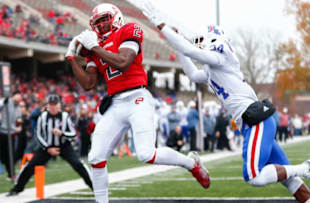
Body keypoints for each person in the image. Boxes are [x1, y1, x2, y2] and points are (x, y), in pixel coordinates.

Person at [142, 2, 310, 202]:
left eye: (202, 41)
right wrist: (177, 46)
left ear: (213, 39)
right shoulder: (212, 69)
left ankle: (306, 167)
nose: (199, 44)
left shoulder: (222, 55)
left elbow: (193, 52)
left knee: (253, 176)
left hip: (255, 121)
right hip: (254, 123)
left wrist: (164, 28)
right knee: (290, 181)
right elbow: (193, 73)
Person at [65, 3, 210, 202]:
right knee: (95, 156)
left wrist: (95, 48)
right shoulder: (94, 48)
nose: (101, 26)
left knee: (146, 154)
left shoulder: (129, 30)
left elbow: (123, 63)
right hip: (115, 104)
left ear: (115, 18)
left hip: (137, 98)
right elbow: (89, 83)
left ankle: (191, 163)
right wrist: (72, 58)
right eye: (97, 23)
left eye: (104, 20)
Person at [7, 94, 93, 196]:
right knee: (30, 166)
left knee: (78, 164)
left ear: (59, 105)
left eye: (55, 104)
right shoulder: (42, 117)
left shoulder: (65, 116)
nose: (52, 107)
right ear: (47, 105)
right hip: (47, 147)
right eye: (50, 104)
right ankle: (17, 188)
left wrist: (62, 133)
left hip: (64, 146)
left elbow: (73, 134)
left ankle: (94, 187)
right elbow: (38, 134)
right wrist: (47, 148)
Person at [0, 91, 22, 180]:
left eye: (20, 96)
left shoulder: (18, 108)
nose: (19, 97)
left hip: (11, 133)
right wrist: (5, 100)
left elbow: (18, 121)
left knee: (10, 155)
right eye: (17, 95)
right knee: (2, 155)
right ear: (13, 96)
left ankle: (11, 175)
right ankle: (10, 173)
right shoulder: (7, 102)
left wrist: (19, 126)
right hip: (2, 131)